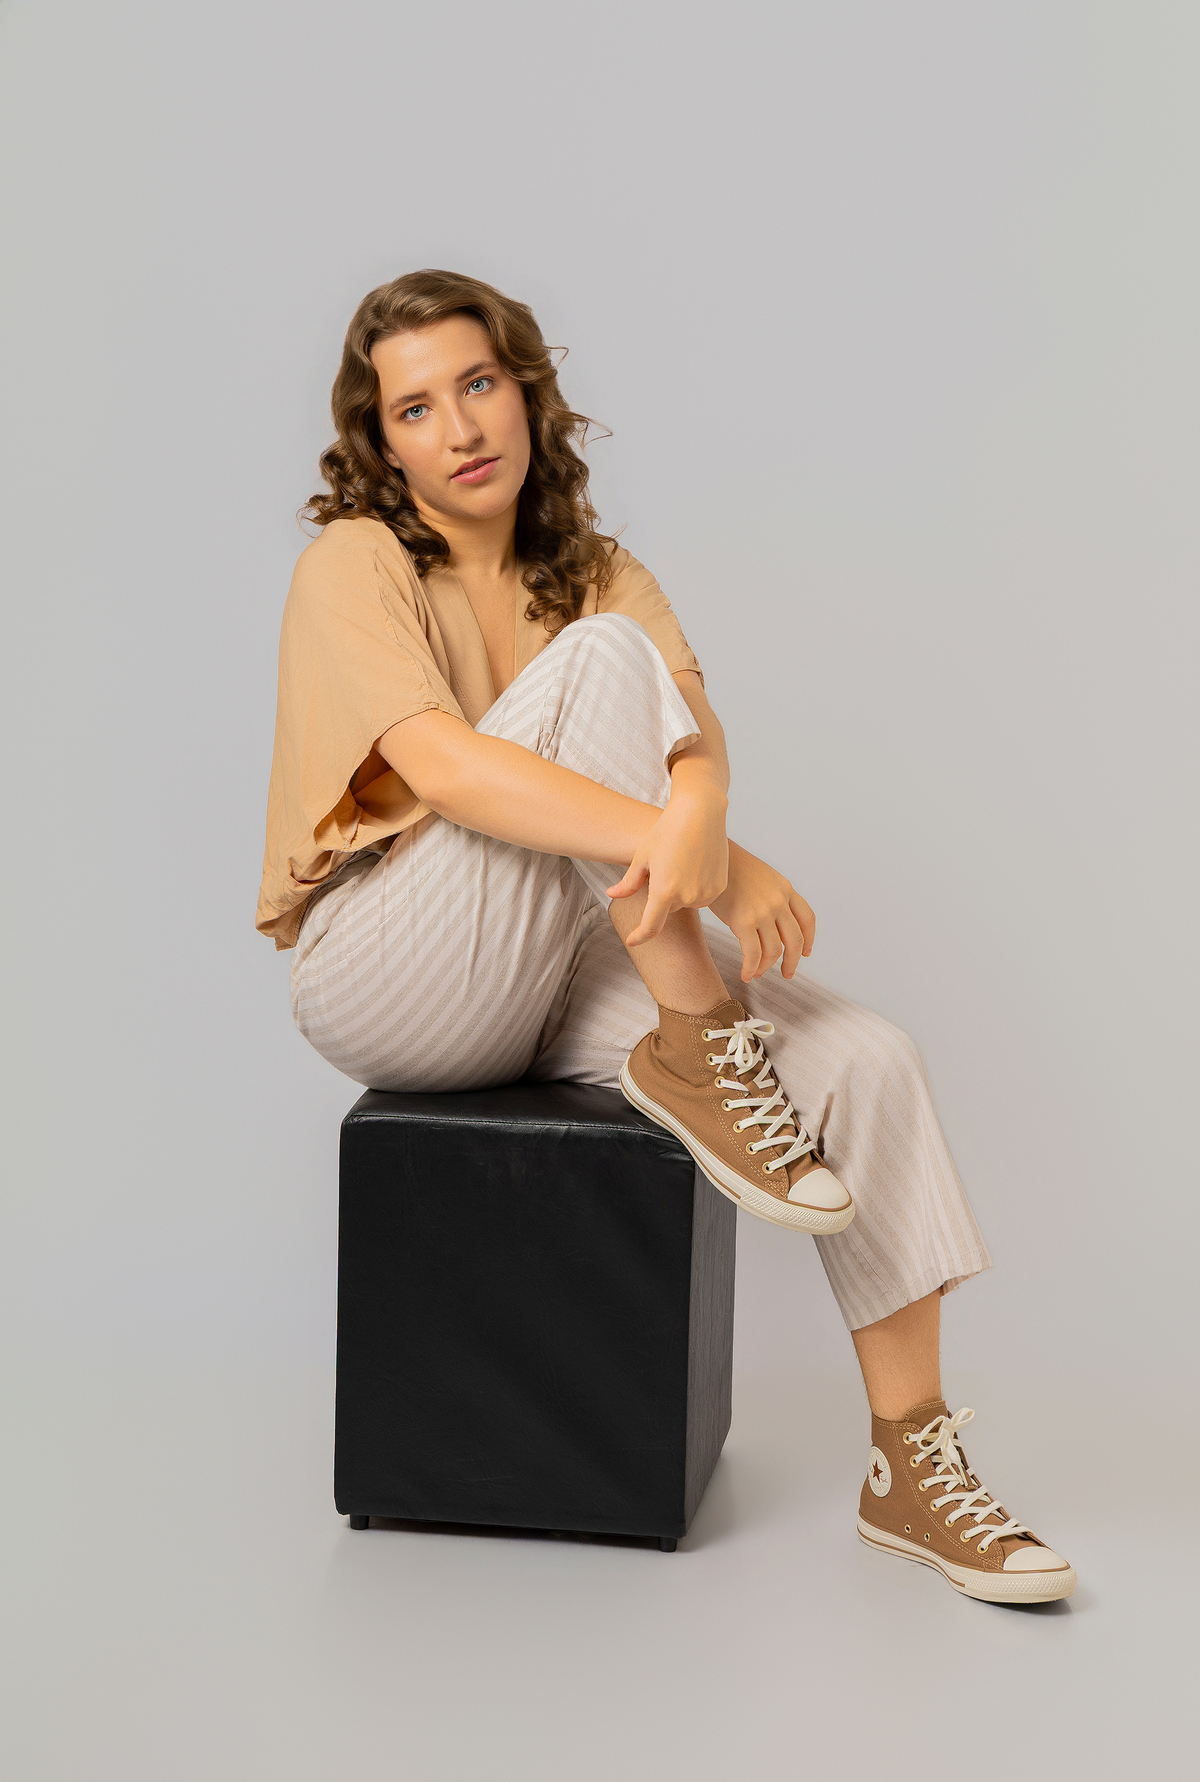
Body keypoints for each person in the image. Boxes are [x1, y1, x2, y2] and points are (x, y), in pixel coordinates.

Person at [257, 269, 1075, 1605]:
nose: (460, 427)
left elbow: (697, 754)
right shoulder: (352, 564)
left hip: (545, 963)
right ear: (382, 442)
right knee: (597, 668)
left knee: (866, 1058)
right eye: (416, 408)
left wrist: (708, 817)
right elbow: (448, 770)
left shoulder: (598, 573)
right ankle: (699, 1039)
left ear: (526, 391)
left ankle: (912, 1470)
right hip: (389, 968)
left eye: (479, 383)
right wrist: (717, 858)